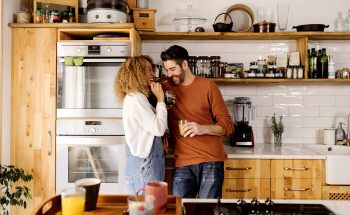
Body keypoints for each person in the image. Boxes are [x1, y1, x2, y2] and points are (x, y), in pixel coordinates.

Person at [160, 45, 233, 198]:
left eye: (173, 69)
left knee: (208, 210)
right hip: (183, 162)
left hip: (211, 160)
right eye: (166, 69)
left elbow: (227, 126)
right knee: (182, 209)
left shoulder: (208, 86)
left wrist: (202, 129)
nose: (169, 74)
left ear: (185, 65)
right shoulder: (165, 86)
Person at [114, 56, 168, 194]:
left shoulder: (135, 97)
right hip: (145, 165)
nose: (152, 74)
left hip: (143, 164)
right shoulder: (136, 98)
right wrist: (161, 99)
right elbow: (159, 128)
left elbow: (148, 130)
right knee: (149, 210)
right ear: (138, 73)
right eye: (149, 70)